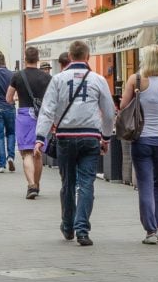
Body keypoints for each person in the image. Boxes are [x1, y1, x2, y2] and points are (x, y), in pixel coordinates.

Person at [36, 40, 114, 247]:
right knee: (87, 183)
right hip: (90, 137)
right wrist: (106, 137)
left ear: (69, 57)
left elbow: (47, 110)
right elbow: (109, 112)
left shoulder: (58, 79)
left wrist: (40, 138)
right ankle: (82, 230)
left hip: (65, 138)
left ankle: (67, 225)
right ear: (87, 57)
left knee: (68, 183)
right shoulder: (98, 80)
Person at [121, 44, 158, 245]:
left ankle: (150, 231)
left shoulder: (135, 80)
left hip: (142, 139)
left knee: (145, 184)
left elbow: (123, 106)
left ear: (144, 60)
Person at [8, 47, 52, 199]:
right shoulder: (47, 77)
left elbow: (8, 98)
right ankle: (37, 185)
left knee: (27, 152)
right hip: (42, 116)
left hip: (24, 114)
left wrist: (17, 99)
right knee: (38, 152)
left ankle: (31, 184)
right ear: (38, 59)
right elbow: (52, 99)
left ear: (25, 58)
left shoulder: (18, 76)